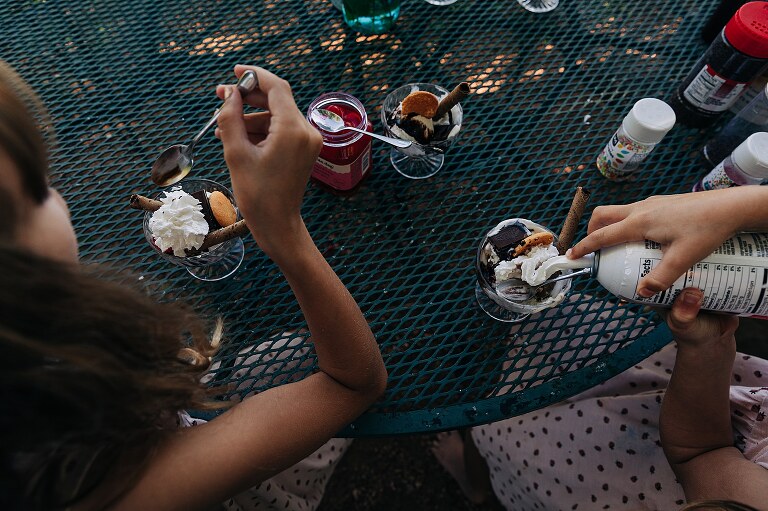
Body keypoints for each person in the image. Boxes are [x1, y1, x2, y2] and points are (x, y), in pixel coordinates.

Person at [0, 61, 388, 510]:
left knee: (296, 351)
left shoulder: (40, 343)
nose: (58, 194)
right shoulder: (92, 478)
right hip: (230, 482)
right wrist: (284, 230)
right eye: (39, 188)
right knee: (300, 360)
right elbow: (354, 383)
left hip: (175, 401)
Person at [432, 188, 768, 510]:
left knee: (495, 432)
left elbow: (700, 455)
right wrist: (739, 206)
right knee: (558, 323)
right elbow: (703, 451)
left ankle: (477, 481)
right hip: (700, 388)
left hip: (613, 478)